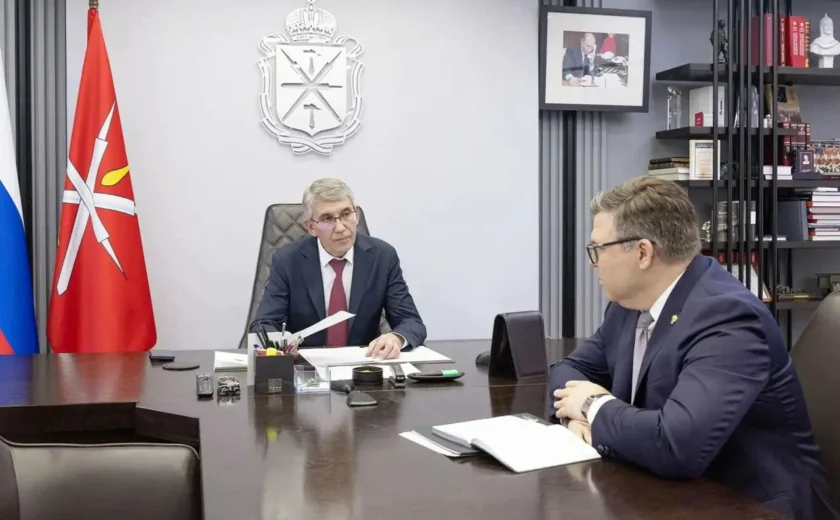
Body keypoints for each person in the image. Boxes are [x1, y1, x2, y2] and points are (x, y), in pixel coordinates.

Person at [550, 176, 838, 520]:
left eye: (598, 249)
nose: (593, 262)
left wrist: (592, 407)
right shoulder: (629, 304)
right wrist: (579, 418)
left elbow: (676, 446)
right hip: (664, 489)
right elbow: (567, 371)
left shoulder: (728, 318)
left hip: (750, 504)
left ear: (642, 253)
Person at [252, 178, 426, 359]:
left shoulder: (383, 257)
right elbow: (263, 324)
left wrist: (396, 338)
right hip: (305, 365)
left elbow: (411, 322)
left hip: (364, 364)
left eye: (346, 214)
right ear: (311, 227)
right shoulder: (287, 261)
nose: (341, 227)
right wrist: (280, 344)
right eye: (327, 219)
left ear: (356, 215)